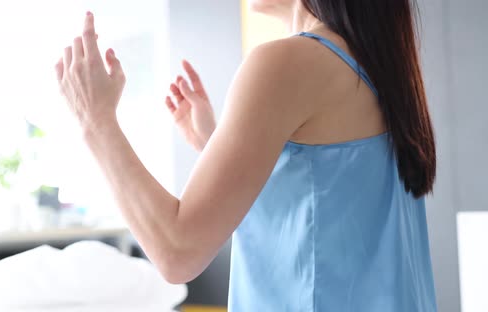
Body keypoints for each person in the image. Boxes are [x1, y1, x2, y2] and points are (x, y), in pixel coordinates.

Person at [54, 0, 437, 310]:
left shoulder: (286, 62)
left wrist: (96, 121)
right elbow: (327, 203)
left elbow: (177, 252)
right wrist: (215, 142)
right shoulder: (380, 71)